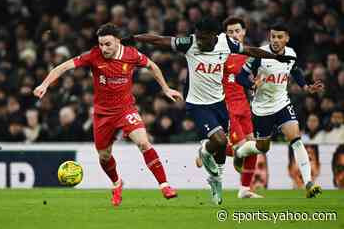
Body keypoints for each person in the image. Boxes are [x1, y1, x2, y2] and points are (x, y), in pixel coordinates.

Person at [122, 16, 296, 204]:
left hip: (219, 102)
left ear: (214, 36)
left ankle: (215, 181)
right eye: (198, 37)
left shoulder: (226, 42)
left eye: (204, 38)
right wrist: (135, 38)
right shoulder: (190, 43)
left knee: (221, 147)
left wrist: (276, 57)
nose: (200, 41)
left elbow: (251, 50)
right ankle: (205, 152)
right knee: (220, 140)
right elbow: (159, 39)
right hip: (197, 104)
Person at [33, 23, 183, 206]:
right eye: (101, 44)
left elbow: (151, 65)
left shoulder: (131, 54)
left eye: (108, 44)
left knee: (143, 142)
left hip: (125, 110)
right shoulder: (94, 55)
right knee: (104, 156)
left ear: (118, 42)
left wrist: (166, 88)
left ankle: (164, 185)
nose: (104, 48)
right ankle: (117, 183)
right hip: (102, 115)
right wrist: (44, 84)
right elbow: (63, 67)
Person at [236, 22, 324, 198]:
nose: (275, 40)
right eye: (273, 36)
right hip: (262, 109)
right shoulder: (259, 54)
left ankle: (308, 183)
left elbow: (295, 71)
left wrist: (306, 87)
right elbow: (240, 76)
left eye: (279, 37)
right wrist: (252, 85)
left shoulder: (291, 53)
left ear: (287, 38)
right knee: (262, 148)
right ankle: (241, 151)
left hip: (282, 104)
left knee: (297, 140)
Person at [195, 17, 261, 198]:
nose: (234, 35)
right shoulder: (219, 52)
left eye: (237, 31)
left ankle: (245, 189)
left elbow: (252, 79)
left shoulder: (248, 55)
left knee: (254, 147)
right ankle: (208, 149)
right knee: (242, 148)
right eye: (230, 32)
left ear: (244, 32)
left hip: (244, 106)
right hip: (227, 106)